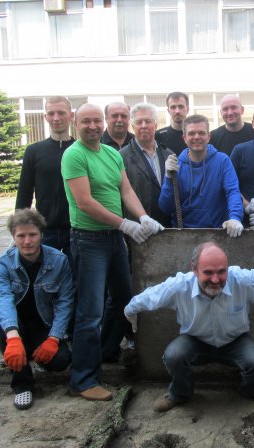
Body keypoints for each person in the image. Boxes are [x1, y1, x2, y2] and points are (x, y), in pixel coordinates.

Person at [62, 103, 164, 401]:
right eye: (86, 121)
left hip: (113, 239)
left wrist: (142, 217)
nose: (93, 126)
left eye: (97, 121)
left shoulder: (110, 153)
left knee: (124, 299)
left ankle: (107, 353)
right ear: (76, 123)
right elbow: (85, 202)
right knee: (90, 311)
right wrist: (125, 224)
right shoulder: (74, 155)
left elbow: (126, 190)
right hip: (88, 240)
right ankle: (83, 380)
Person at [124, 241, 254, 412]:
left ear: (227, 268)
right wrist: (130, 313)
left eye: (221, 271)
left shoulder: (242, 280)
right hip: (195, 341)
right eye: (208, 272)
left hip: (235, 341)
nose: (215, 279)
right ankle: (179, 394)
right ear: (194, 269)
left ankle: (252, 389)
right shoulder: (179, 286)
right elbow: (149, 297)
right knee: (174, 356)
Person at [0, 208, 74, 410]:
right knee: (2, 329)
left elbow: (65, 302)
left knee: (61, 360)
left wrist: (54, 338)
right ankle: (22, 385)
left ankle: (32, 355)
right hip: (15, 324)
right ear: (13, 237)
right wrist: (13, 338)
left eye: (32, 234)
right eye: (21, 236)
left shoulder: (58, 261)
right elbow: (3, 301)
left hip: (43, 322)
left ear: (41, 234)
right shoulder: (2, 264)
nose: (27, 241)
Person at [158, 114, 244, 237]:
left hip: (217, 233)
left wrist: (235, 218)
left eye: (201, 133)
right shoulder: (176, 166)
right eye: (191, 133)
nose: (197, 137)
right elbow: (166, 208)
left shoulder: (222, 161)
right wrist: (168, 177)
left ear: (209, 137)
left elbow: (233, 192)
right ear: (184, 138)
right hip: (183, 234)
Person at [15, 96, 75, 255]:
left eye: (61, 113)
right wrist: (18, 228)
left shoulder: (81, 150)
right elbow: (24, 193)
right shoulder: (34, 151)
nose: (56, 118)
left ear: (71, 115)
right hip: (44, 229)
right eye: (51, 113)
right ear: (45, 117)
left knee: (74, 271)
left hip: (76, 229)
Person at [120, 103, 174, 228]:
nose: (143, 126)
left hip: (167, 227)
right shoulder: (122, 157)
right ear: (132, 126)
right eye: (139, 122)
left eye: (148, 121)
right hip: (139, 228)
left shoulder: (169, 155)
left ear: (156, 125)